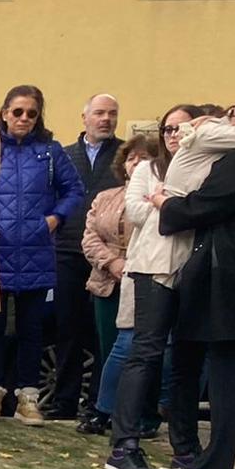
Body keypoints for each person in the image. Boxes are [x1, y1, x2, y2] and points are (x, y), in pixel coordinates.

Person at [110, 97, 235, 469]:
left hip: (199, 263)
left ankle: (186, 448)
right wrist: (166, 202)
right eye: (168, 128)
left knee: (189, 358)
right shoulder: (202, 139)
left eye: (182, 124)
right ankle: (123, 445)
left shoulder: (232, 147)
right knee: (146, 350)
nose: (176, 134)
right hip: (161, 260)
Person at [0, 86, 84, 425]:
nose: (23, 118)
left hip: (37, 249)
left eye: (31, 113)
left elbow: (74, 190)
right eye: (17, 111)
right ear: (5, 112)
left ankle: (28, 397)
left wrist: (55, 218)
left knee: (31, 328)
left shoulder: (50, 152)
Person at [47, 94, 122, 420]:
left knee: (104, 333)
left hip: (109, 257)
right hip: (67, 250)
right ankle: (64, 401)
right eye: (100, 113)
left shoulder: (124, 155)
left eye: (112, 114)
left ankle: (98, 404)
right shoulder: (64, 155)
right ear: (85, 117)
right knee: (67, 328)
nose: (106, 119)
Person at [80, 136, 147, 437]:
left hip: (143, 278)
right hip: (107, 281)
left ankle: (140, 414)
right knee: (110, 350)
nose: (137, 163)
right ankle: (106, 412)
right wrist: (112, 262)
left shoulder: (159, 196)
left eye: (144, 158)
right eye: (132, 158)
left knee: (137, 351)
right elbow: (90, 237)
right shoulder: (105, 197)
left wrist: (130, 263)